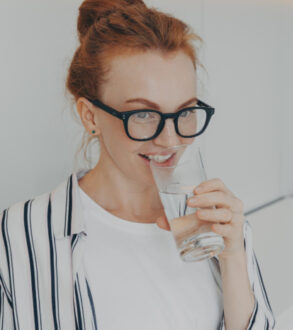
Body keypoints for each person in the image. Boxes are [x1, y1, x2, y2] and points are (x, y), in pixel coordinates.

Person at [0, 0, 275, 329]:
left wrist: (233, 259)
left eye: (185, 111)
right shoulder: (22, 235)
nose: (170, 139)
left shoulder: (217, 225)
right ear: (90, 116)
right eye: (143, 114)